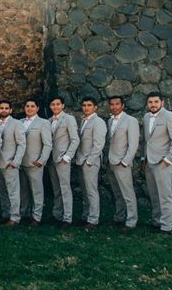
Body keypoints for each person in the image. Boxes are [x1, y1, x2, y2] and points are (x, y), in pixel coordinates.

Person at [143, 91, 172, 234]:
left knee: (165, 195)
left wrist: (168, 159)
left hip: (163, 162)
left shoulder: (170, 117)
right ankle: (156, 221)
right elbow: (148, 141)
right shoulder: (146, 117)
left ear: (162, 103)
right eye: (150, 102)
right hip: (149, 161)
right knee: (153, 194)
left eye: (156, 102)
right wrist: (144, 158)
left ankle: (166, 226)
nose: (153, 105)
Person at [106, 96, 140, 231]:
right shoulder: (109, 121)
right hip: (111, 162)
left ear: (123, 105)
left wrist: (125, 162)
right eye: (112, 104)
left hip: (122, 163)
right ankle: (119, 217)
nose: (114, 107)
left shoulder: (131, 121)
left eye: (117, 104)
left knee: (128, 193)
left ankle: (131, 221)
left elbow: (133, 144)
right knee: (117, 193)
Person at [19, 98, 52, 226]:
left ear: (37, 108)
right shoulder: (20, 122)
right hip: (20, 162)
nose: (29, 108)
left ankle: (36, 216)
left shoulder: (43, 123)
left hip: (35, 163)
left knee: (37, 190)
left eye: (32, 106)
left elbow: (48, 144)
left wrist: (41, 160)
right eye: (27, 106)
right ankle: (24, 213)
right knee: (23, 190)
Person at [75, 97, 107, 229]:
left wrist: (90, 160)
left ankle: (93, 219)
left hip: (90, 161)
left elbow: (99, 144)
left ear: (95, 107)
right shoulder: (84, 121)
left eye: (89, 105)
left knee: (91, 190)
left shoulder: (98, 122)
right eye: (84, 105)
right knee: (85, 190)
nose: (86, 107)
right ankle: (86, 215)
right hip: (81, 160)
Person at [48, 96, 79, 228]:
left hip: (63, 159)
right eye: (53, 104)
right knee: (56, 189)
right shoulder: (49, 121)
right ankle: (57, 214)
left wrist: (68, 156)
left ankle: (67, 218)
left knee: (65, 188)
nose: (55, 106)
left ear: (63, 106)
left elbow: (75, 139)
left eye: (57, 104)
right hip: (51, 159)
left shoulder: (69, 119)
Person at [0, 100, 26, 226]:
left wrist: (15, 161)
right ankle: (6, 214)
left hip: (10, 163)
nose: (4, 110)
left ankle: (15, 217)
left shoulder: (16, 124)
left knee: (13, 192)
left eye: (6, 108)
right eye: (1, 108)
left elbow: (22, 144)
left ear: (10, 110)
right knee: (2, 191)